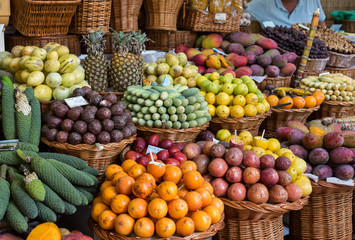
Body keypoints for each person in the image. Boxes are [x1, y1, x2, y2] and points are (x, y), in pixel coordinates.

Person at [246, 0, 327, 28]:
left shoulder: (312, 1)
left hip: (308, 55)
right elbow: (237, 12)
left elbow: (321, 23)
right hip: (276, 58)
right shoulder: (261, 4)